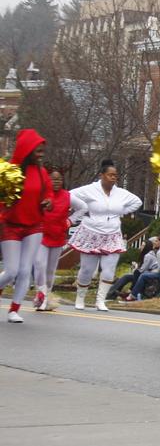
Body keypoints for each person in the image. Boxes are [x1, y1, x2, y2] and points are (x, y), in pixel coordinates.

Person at [68, 159, 142, 312]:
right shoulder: (89, 190)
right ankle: (80, 298)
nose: (113, 177)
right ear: (102, 175)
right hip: (91, 232)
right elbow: (69, 195)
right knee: (87, 270)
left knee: (109, 269)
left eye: (115, 175)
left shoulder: (121, 193)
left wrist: (121, 212)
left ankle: (100, 300)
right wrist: (82, 209)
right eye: (110, 175)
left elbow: (137, 202)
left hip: (112, 234)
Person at [0, 129, 52, 323]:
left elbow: (49, 194)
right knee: (12, 270)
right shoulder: (8, 170)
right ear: (27, 149)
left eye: (42, 151)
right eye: (37, 151)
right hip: (11, 225)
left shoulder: (41, 172)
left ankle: (14, 309)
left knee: (25, 270)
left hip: (34, 226)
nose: (41, 155)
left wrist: (48, 201)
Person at [33, 167, 71, 311]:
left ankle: (46, 297)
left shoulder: (67, 195)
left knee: (50, 271)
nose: (56, 181)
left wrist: (70, 221)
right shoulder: (41, 194)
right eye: (53, 179)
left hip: (57, 236)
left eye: (59, 179)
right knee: (39, 265)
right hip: (41, 235)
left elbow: (83, 207)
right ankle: (41, 297)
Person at [128, 236, 160, 300]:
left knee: (143, 275)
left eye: (156, 241)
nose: (154, 243)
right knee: (145, 273)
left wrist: (152, 272)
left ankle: (133, 295)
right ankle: (136, 293)